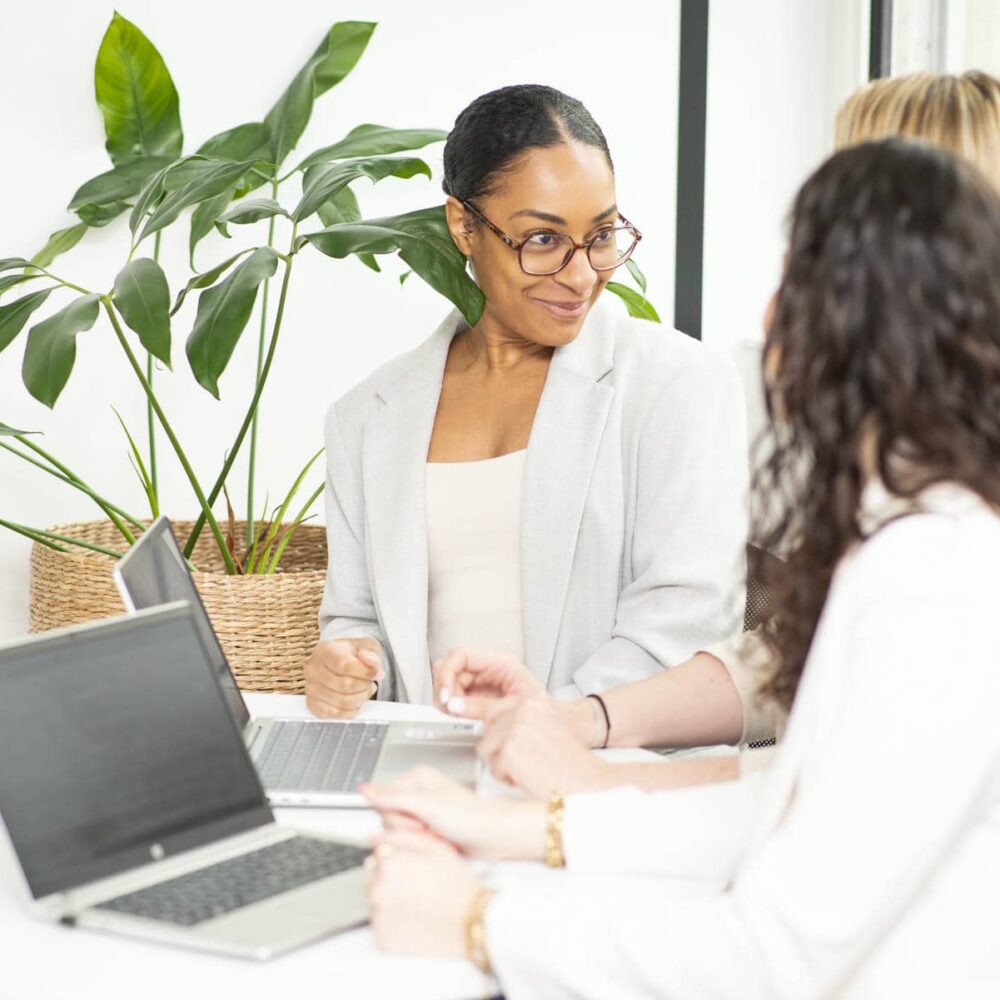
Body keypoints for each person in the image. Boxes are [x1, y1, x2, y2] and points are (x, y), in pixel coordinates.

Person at [363, 138, 1000, 996]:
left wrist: (477, 923)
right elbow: (778, 810)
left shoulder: (940, 580)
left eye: (796, 281)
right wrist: (508, 830)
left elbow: (775, 956)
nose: (770, 315)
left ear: (861, 323)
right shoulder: (912, 542)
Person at [424, 69, 1000, 799]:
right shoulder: (868, 460)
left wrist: (574, 792)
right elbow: (800, 663)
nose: (776, 314)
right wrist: (583, 724)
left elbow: (813, 828)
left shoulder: (946, 550)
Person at [304, 84, 748, 718]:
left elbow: (685, 624)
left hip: (605, 776)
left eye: (600, 235)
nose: (580, 274)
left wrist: (543, 731)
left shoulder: (679, 385)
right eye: (542, 240)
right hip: (425, 769)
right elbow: (357, 616)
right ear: (463, 225)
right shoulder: (367, 416)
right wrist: (349, 669)